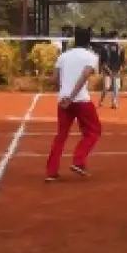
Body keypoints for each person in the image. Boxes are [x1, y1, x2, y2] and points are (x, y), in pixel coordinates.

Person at [46, 26, 102, 181]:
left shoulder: (63, 56)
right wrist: (71, 96)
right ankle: (79, 160)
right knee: (93, 131)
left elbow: (55, 79)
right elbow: (84, 76)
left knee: (61, 136)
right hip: (81, 100)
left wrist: (65, 93)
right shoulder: (91, 56)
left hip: (63, 101)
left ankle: (51, 172)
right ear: (89, 40)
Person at [99, 31, 123, 109]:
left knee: (116, 87)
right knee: (106, 87)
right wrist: (108, 70)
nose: (116, 40)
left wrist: (120, 69)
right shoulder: (105, 48)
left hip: (116, 70)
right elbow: (102, 62)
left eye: (117, 38)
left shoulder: (121, 48)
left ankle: (114, 102)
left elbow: (122, 60)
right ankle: (102, 100)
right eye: (114, 38)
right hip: (107, 70)